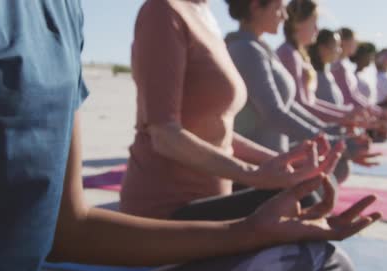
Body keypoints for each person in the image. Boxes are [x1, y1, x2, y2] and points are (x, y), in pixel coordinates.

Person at [0, 0, 380, 271]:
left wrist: (251, 231)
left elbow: (72, 226)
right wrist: (259, 179)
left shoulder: (63, 11)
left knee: (320, 268)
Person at [119, 0, 344, 220]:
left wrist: (279, 162)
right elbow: (164, 135)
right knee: (305, 199)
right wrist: (253, 175)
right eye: (280, 7)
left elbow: (216, 131)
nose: (285, 16)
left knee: (314, 184)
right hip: (167, 207)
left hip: (211, 195)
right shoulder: (163, 11)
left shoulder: (204, 14)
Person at [224, 0, 376, 184]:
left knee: (337, 168)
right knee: (334, 170)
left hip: (274, 155)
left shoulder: (259, 48)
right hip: (262, 165)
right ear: (255, 6)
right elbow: (274, 113)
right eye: (279, 8)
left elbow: (290, 105)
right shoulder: (245, 49)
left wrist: (329, 133)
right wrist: (332, 140)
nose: (285, 16)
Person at [276, 1, 370, 128]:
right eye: (314, 22)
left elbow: (311, 101)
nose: (317, 29)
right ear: (297, 23)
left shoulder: (295, 54)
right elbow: (301, 104)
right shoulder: (288, 53)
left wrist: (347, 113)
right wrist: (343, 117)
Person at [309, 29, 347, 106]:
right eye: (336, 46)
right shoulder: (313, 76)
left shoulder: (327, 74)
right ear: (322, 49)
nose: (340, 50)